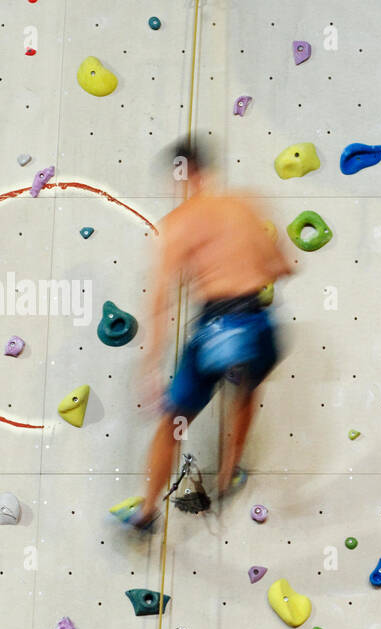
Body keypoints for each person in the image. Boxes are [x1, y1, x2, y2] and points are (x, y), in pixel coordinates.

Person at [113, 136, 294, 530]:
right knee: (246, 392)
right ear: (208, 171)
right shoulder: (245, 204)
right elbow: (283, 266)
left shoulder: (176, 225)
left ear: (181, 175)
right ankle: (229, 474)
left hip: (216, 329)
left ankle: (145, 513)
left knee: (174, 421)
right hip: (258, 324)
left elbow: (161, 301)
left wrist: (150, 368)